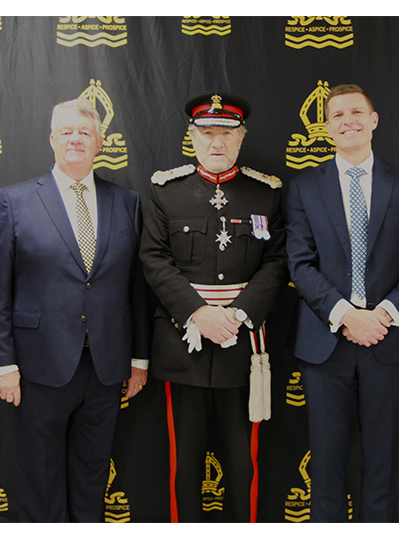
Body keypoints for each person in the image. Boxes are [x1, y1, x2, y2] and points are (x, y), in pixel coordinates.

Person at [0, 99, 150, 522]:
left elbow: (137, 287)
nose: (76, 138)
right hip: (39, 366)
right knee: (39, 476)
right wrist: (1, 362)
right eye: (67, 131)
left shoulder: (127, 202)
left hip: (107, 365)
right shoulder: (15, 200)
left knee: (92, 473)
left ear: (100, 142)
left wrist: (138, 358)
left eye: (85, 131)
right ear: (52, 139)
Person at [284, 84, 399, 522]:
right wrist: (347, 315)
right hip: (325, 342)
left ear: (373, 120)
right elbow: (299, 263)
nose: (347, 120)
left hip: (387, 344)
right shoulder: (304, 187)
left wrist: (383, 316)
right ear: (327, 127)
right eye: (337, 115)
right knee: (326, 466)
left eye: (356, 112)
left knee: (383, 464)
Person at [140, 90, 288, 522]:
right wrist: (199, 313)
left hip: (243, 348)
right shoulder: (166, 190)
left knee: (244, 464)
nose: (216, 142)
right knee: (183, 464)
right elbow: (153, 258)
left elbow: (278, 262)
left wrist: (238, 315)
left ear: (242, 138)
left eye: (226, 133)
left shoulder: (266, 193)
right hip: (182, 345)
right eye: (207, 133)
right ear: (192, 136)